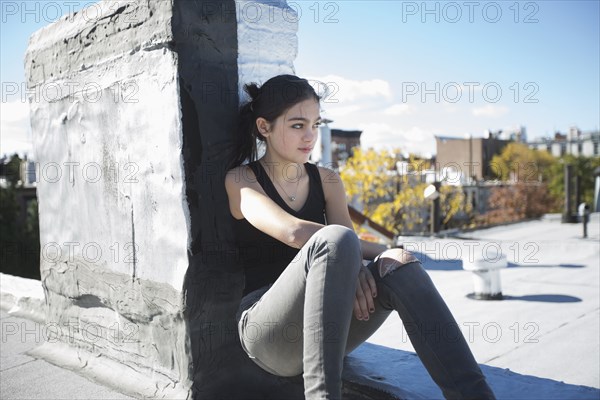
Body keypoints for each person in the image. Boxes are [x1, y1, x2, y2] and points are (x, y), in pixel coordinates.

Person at [225, 74, 496, 399]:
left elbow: (347, 244)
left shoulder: (328, 180)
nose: (310, 136)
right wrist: (349, 257)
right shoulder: (241, 179)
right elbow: (294, 231)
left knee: (400, 264)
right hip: (267, 334)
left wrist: (389, 253)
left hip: (328, 327)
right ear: (264, 127)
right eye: (298, 125)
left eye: (316, 124)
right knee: (336, 241)